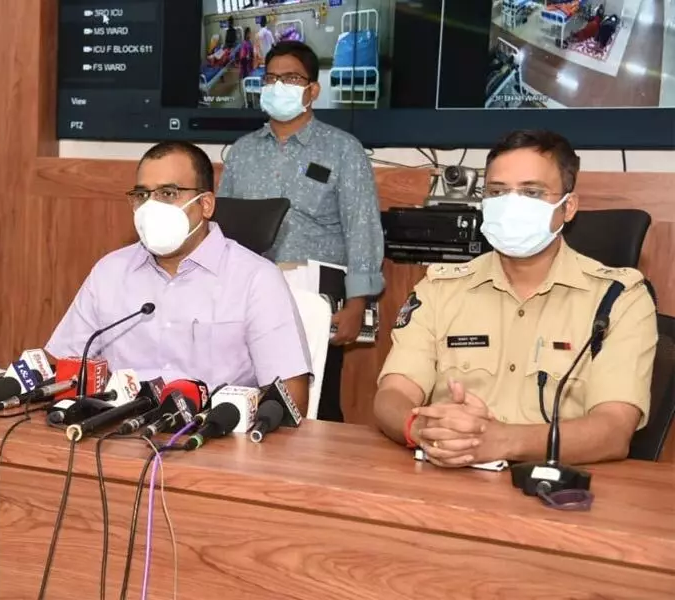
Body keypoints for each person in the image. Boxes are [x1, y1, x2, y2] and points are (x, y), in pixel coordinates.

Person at [373, 129, 657, 467]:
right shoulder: (439, 288)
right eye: (497, 192)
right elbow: (393, 394)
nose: (511, 204)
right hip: (447, 479)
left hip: (556, 493)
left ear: (568, 207)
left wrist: (503, 441)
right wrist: (420, 429)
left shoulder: (619, 300)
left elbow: (613, 430)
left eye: (532, 192)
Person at [46, 141, 312, 413]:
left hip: (213, 442)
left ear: (206, 204)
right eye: (142, 195)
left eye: (168, 193)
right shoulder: (109, 272)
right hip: (116, 436)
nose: (150, 207)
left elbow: (290, 402)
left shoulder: (257, 280)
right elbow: (60, 369)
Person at [217, 41, 385, 420]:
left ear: (312, 90)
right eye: (271, 77)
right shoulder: (242, 152)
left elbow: (362, 227)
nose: (279, 85)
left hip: (316, 298)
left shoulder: (343, 150)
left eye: (291, 78)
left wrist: (358, 304)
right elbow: (222, 226)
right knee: (249, 395)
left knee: (316, 404)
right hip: (249, 295)